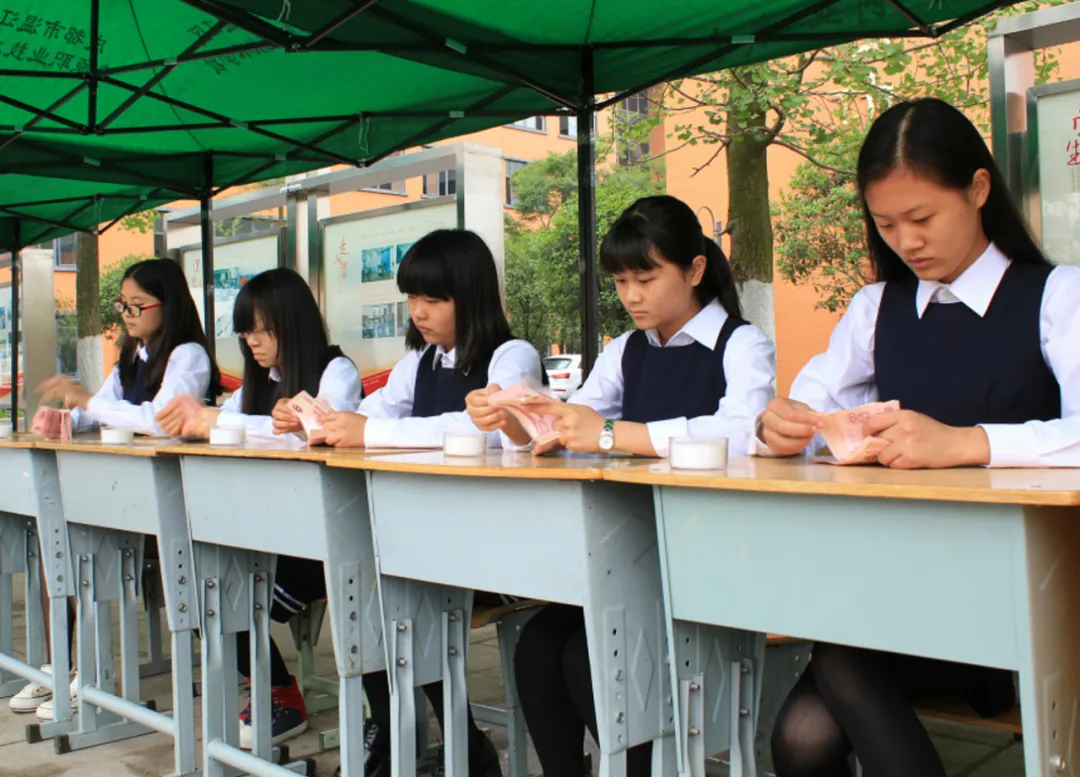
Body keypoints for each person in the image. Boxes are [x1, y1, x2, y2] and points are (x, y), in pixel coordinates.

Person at [758, 98, 1080, 777]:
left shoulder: (1057, 298)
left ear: (979, 190)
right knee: (800, 737)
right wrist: (783, 425)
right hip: (901, 587)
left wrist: (968, 443)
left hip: (1024, 599)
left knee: (829, 683)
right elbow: (808, 412)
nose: (906, 241)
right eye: (886, 224)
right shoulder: (876, 309)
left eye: (923, 217)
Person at [468, 194, 776, 775]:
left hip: (705, 557)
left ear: (694, 270)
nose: (631, 295)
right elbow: (571, 421)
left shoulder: (742, 344)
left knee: (592, 657)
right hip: (630, 556)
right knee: (537, 649)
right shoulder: (625, 350)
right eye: (620, 281)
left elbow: (742, 432)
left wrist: (611, 434)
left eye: (646, 277)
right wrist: (516, 417)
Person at [321, 229, 542, 777]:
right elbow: (374, 414)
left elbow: (485, 430)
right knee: (368, 595)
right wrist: (320, 420)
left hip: (498, 544)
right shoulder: (419, 362)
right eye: (412, 299)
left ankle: (450, 744)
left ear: (471, 296)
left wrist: (369, 434)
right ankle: (433, 737)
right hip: (430, 537)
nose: (418, 312)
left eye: (434, 300)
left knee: (399, 600)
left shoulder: (512, 356)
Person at [159, 267, 362, 748]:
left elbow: (315, 434)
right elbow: (222, 425)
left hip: (320, 537)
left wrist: (217, 421)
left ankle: (281, 696)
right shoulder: (256, 384)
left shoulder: (336, 371)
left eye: (261, 329)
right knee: (206, 583)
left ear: (292, 322)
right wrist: (205, 420)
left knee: (236, 594)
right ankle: (274, 688)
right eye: (245, 331)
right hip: (266, 529)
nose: (251, 341)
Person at [11, 258, 221, 720]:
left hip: (171, 501)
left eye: (137, 304)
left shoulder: (188, 355)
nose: (127, 313)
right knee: (57, 540)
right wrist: (69, 416)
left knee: (75, 547)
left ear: (169, 304)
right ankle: (61, 667)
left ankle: (84, 674)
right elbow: (103, 408)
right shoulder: (131, 356)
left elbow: (161, 422)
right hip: (125, 494)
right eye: (122, 304)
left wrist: (90, 404)